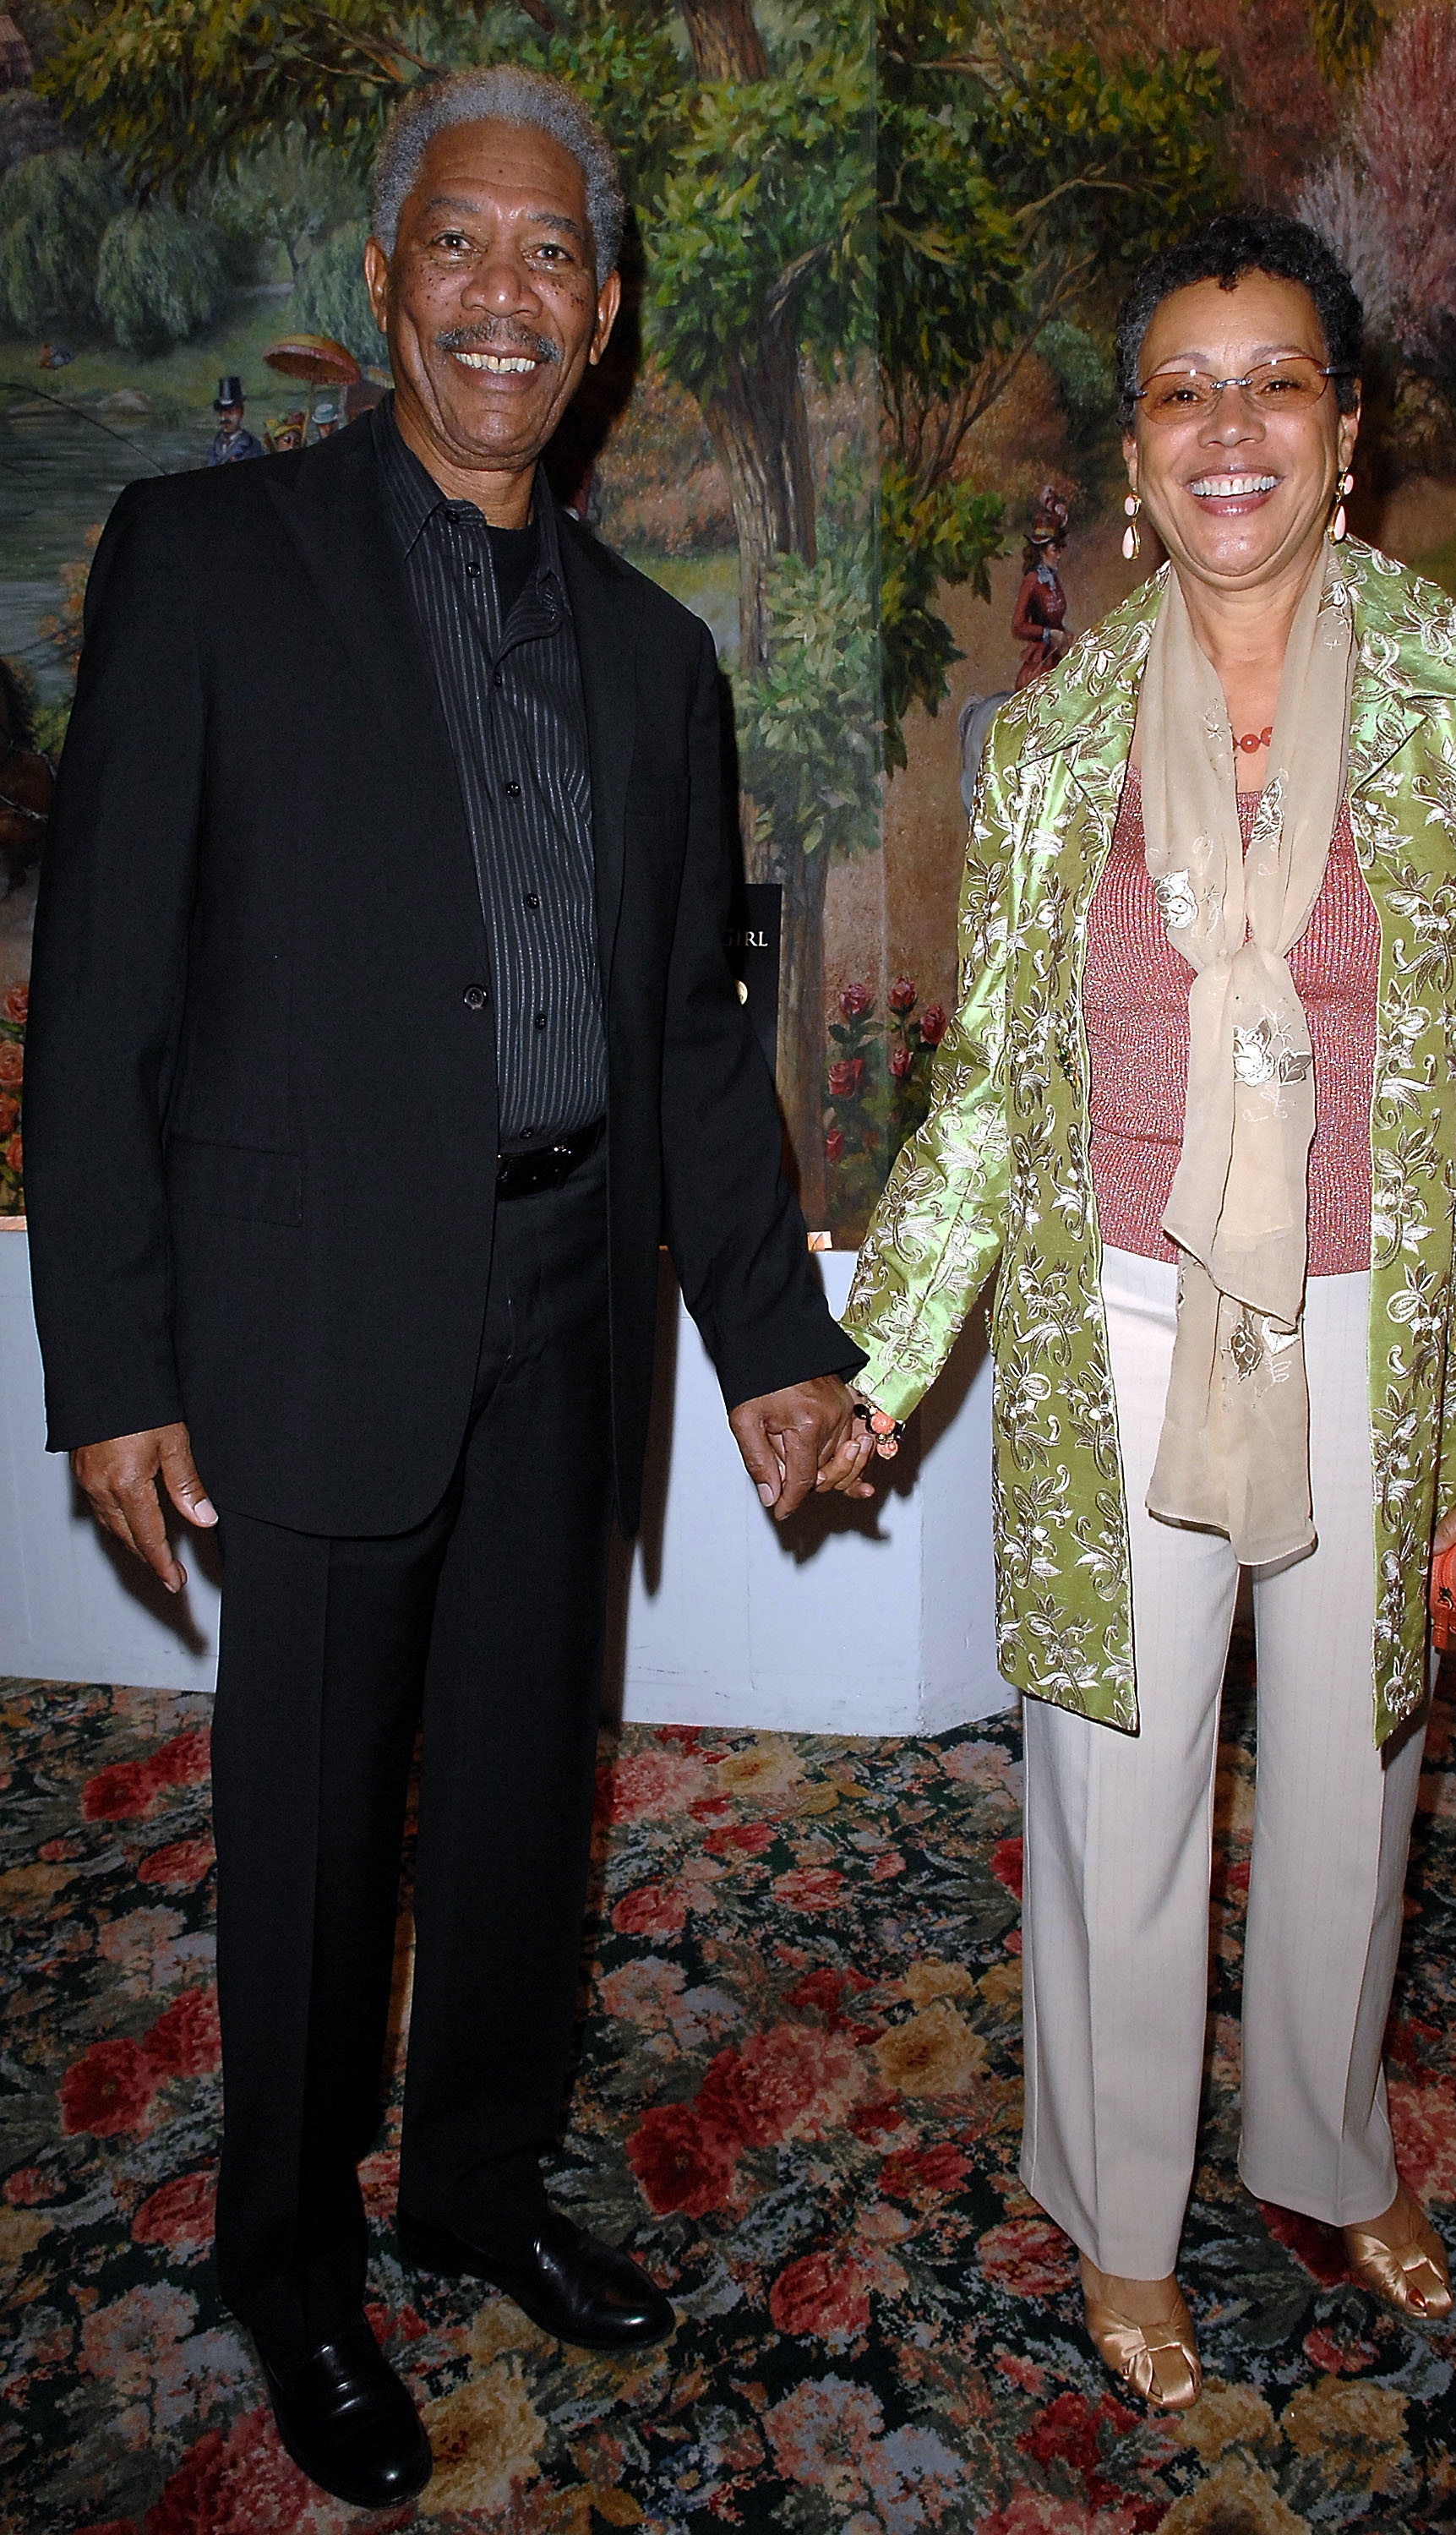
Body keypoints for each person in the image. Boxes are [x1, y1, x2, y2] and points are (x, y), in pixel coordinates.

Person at [25, 66, 868, 2510]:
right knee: (301, 1839)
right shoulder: (199, 562)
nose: (507, 295)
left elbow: (693, 1054)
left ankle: (479, 2193)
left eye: (553, 262)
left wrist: (776, 1354)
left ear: (601, 323)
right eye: (460, 248)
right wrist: (115, 1363)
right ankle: (285, 2268)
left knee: (520, 1807)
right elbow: (104, 1004)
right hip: (298, 1318)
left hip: (557, 1320)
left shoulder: (651, 663)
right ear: (387, 280)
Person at [842, 210, 1456, 2411]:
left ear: (1342, 433)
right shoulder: (1056, 740)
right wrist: (874, 1363)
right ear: (1132, 453)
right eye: (1181, 389)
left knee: (1356, 1771)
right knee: (1114, 1779)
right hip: (1119, 1324)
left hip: (1384, 1322)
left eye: (1273, 381)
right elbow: (988, 1090)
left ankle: (1316, 2141)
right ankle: (1111, 2203)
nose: (1227, 428)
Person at [1010, 486, 1072, 690]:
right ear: (1042, 550)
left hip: (1056, 656)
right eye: (1055, 549)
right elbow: (1018, 626)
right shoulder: (1032, 580)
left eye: (1059, 549)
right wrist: (1049, 634)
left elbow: (1056, 618)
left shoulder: (1053, 578)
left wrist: (1065, 635)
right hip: (1039, 662)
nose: (1059, 555)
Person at [205, 374, 261, 466]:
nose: (223, 418)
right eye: (220, 412)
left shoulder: (252, 446)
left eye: (230, 412)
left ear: (241, 412)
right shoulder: (216, 444)